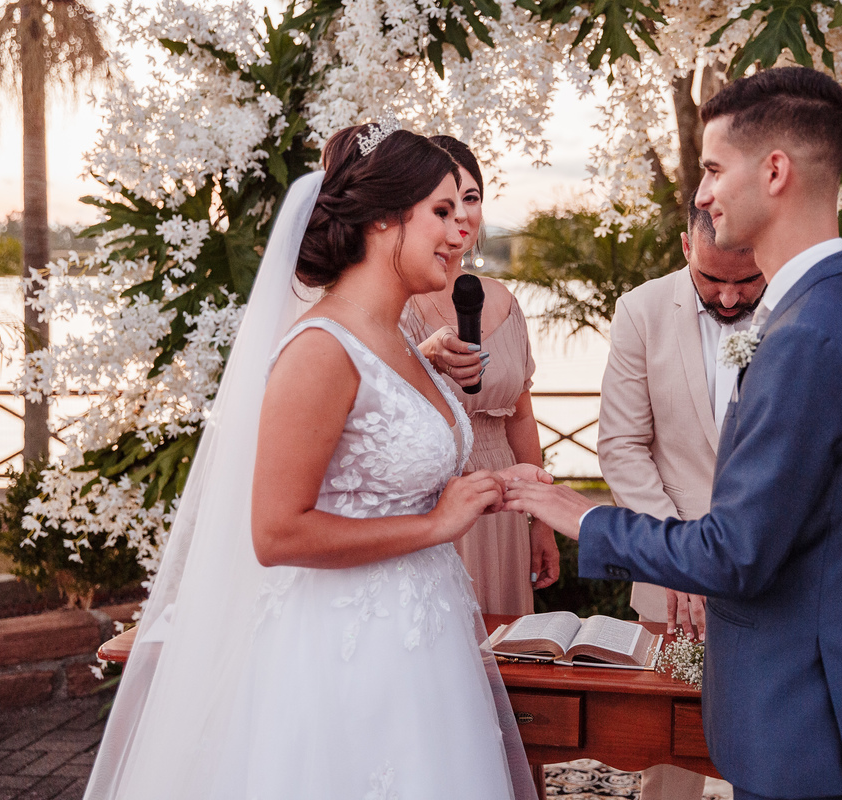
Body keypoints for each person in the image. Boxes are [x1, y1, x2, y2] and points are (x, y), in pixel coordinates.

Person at [503, 66, 842, 800]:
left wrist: (582, 516)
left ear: (774, 172)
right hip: (837, 698)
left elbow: (736, 555)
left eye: (711, 169)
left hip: (796, 716)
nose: (702, 194)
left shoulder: (804, 339)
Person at [84, 123, 541, 800]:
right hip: (342, 654)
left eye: (462, 211)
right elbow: (276, 533)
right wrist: (436, 526)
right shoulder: (322, 348)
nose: (461, 230)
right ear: (384, 218)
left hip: (425, 641)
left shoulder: (401, 343)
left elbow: (393, 484)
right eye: (442, 212)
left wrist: (491, 488)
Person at [598, 195, 763, 800]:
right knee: (669, 753)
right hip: (672, 584)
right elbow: (621, 446)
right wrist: (678, 557)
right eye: (712, 279)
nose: (730, 299)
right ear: (687, 247)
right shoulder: (640, 310)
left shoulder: (801, 311)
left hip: (775, 569)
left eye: (747, 280)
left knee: (780, 745)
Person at [400, 135, 559, 615]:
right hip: (434, 499)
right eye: (444, 206)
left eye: (471, 199)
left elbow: (521, 418)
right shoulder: (397, 304)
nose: (461, 216)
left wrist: (541, 518)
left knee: (509, 644)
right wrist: (425, 355)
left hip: (503, 502)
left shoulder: (506, 302)